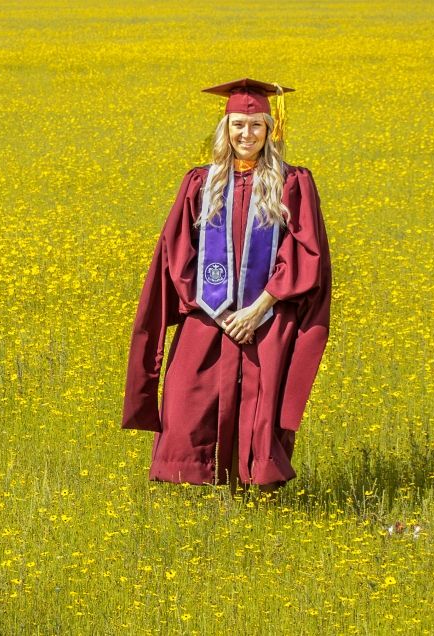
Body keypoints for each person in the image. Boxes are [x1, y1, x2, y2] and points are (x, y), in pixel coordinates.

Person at [121, 77, 332, 496]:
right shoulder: (201, 183)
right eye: (238, 124)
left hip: (267, 319)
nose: (246, 134)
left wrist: (257, 309)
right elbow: (176, 252)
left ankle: (250, 493)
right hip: (208, 314)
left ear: (271, 129)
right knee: (188, 400)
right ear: (226, 128)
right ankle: (201, 494)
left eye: (256, 125)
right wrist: (212, 306)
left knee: (258, 407)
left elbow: (306, 253)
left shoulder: (292, 183)